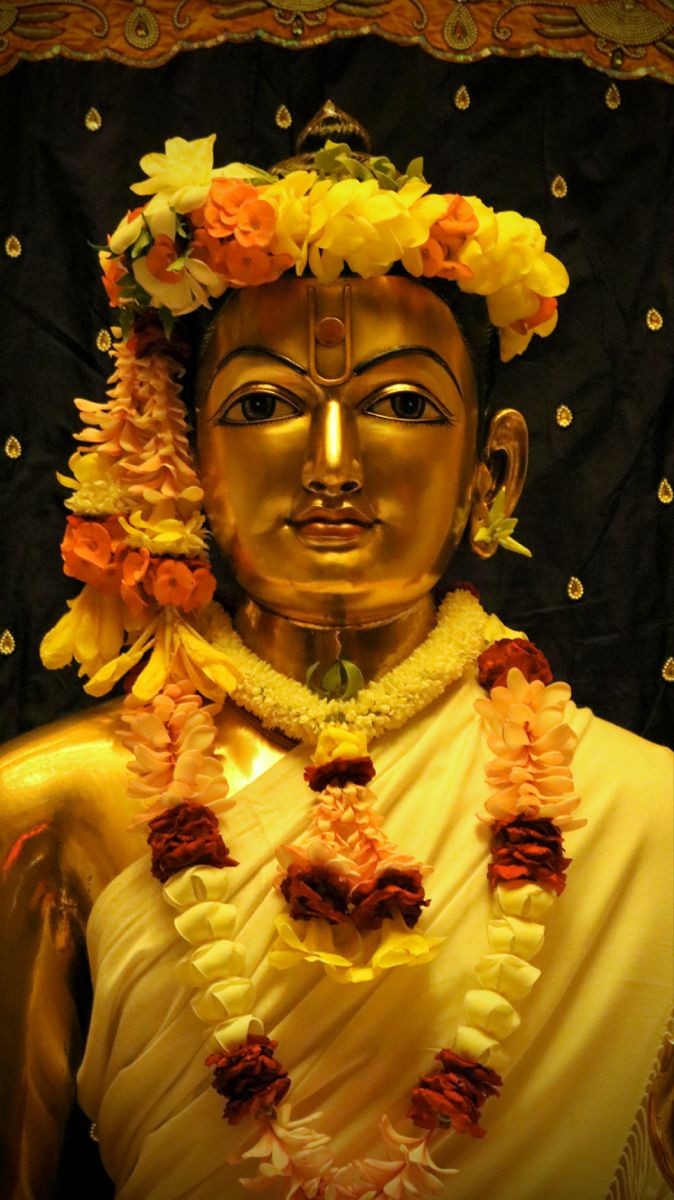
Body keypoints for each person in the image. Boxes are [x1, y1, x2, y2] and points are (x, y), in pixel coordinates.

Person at [0, 106, 671, 1200]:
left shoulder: (646, 816)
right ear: (184, 459)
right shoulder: (53, 801)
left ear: (489, 475)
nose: (331, 462)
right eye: (262, 404)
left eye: (400, 404)